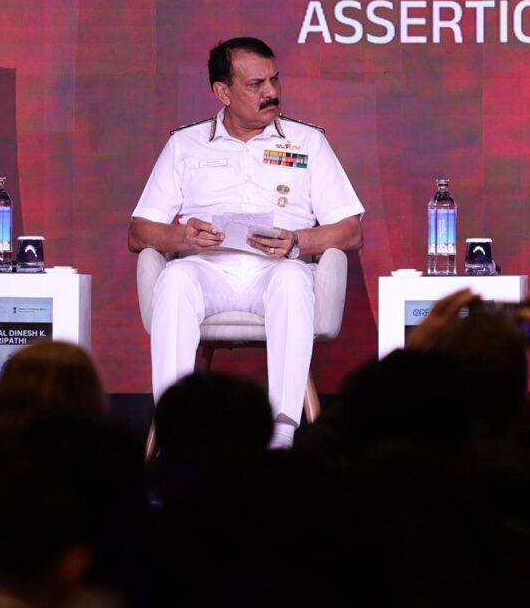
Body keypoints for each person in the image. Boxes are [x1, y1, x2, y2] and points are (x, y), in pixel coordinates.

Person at [130, 37, 364, 444]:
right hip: (208, 268)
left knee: (292, 279)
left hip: (276, 269)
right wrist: (182, 235)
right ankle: (176, 425)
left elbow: (350, 229)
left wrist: (296, 241)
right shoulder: (185, 144)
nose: (270, 92)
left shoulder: (307, 142)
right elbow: (139, 231)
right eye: (256, 84)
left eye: (274, 80)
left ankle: (281, 431)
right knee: (175, 279)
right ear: (222, 92)